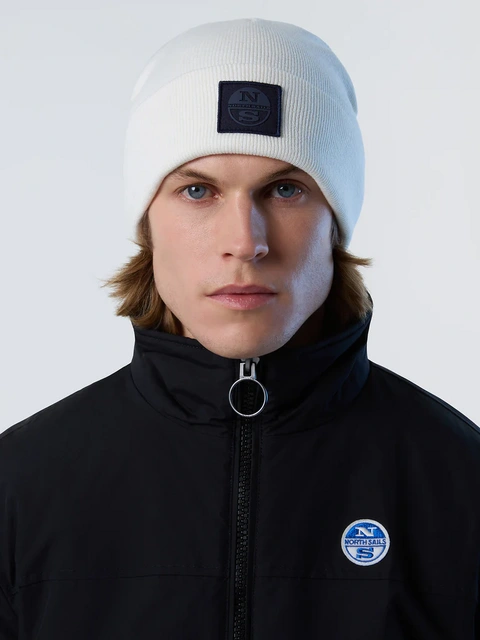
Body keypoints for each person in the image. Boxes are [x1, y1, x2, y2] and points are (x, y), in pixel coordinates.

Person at [1, 17, 479, 640]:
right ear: (147, 223)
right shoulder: (21, 484)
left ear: (336, 220)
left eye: (285, 189)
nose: (245, 241)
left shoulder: (459, 479)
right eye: (198, 191)